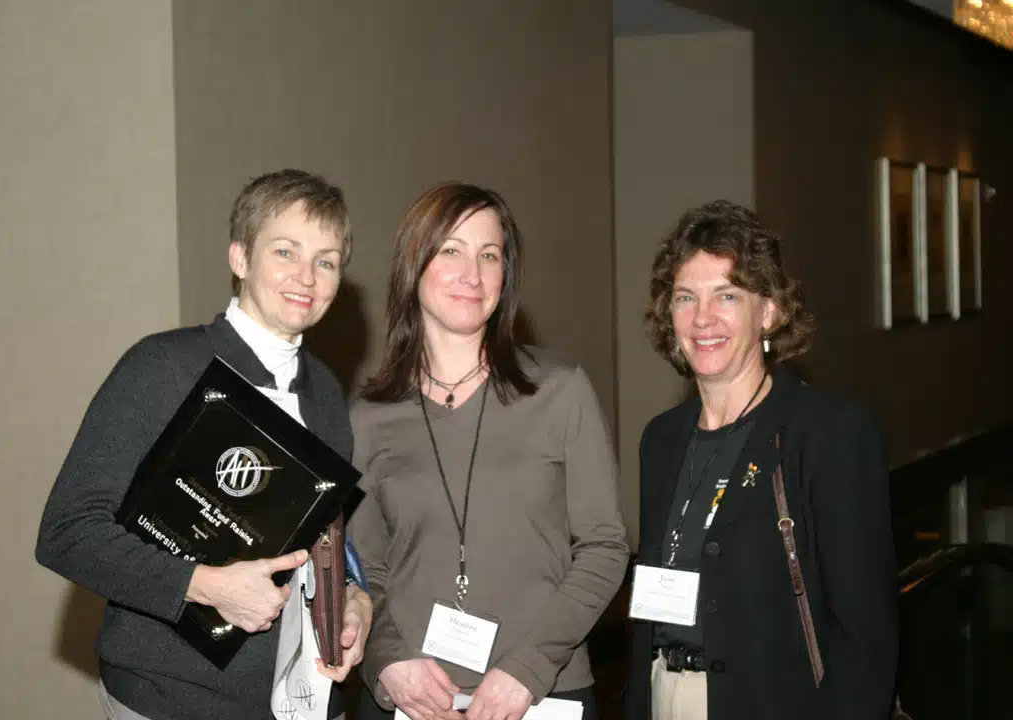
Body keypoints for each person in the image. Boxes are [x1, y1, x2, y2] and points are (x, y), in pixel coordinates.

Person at [35, 169, 372, 720]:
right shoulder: (163, 366)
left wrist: (352, 599)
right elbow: (68, 533)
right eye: (285, 251)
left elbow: (327, 535)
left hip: (301, 697)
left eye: (327, 260)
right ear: (240, 258)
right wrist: (205, 586)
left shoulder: (327, 392)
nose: (306, 276)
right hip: (174, 699)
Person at [348, 181, 630, 720]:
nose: (472, 275)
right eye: (451, 250)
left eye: (490, 255)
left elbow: (604, 546)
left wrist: (528, 667)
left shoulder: (559, 389)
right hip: (410, 700)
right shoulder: (369, 415)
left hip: (542, 695)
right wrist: (386, 661)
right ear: (414, 266)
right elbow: (364, 571)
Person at [623, 200, 898, 720]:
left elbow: (866, 635)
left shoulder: (827, 433)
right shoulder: (661, 440)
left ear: (768, 311)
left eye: (727, 295)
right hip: (666, 695)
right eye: (686, 298)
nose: (703, 318)